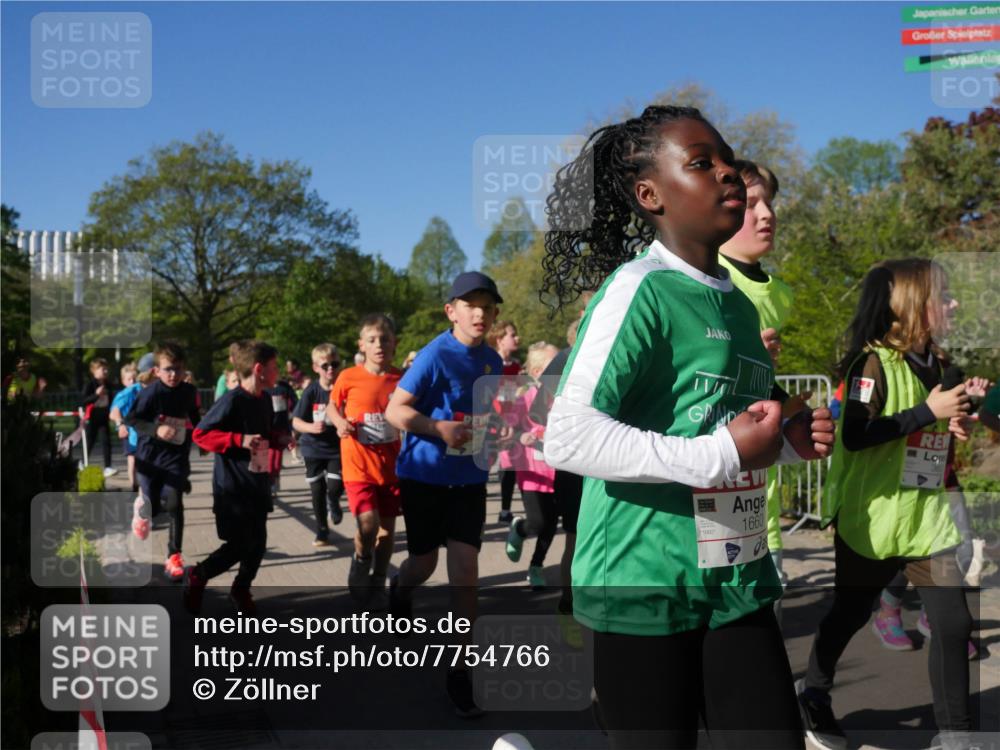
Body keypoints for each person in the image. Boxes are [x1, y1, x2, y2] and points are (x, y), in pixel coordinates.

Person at [540, 105, 835, 750]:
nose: (729, 173)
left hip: (736, 575)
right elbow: (567, 435)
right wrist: (721, 453)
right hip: (645, 584)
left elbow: (725, 424)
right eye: (702, 163)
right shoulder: (638, 290)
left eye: (728, 159)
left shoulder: (734, 299)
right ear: (651, 196)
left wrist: (783, 444)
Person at [801, 259, 975, 750]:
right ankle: (814, 691)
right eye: (942, 296)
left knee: (954, 623)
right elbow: (855, 436)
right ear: (907, 307)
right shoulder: (869, 364)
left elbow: (931, 432)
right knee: (851, 613)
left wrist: (952, 425)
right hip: (872, 522)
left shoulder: (942, 366)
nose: (952, 304)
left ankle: (957, 737)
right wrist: (928, 412)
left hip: (927, 522)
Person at [385, 270, 507, 718]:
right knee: (423, 563)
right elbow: (394, 409)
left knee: (465, 572)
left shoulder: (493, 361)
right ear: (451, 311)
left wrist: (495, 435)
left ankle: (459, 672)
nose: (480, 313)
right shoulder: (435, 355)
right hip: (423, 477)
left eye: (487, 306)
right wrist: (437, 428)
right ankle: (400, 588)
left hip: (468, 483)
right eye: (470, 305)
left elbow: (489, 417)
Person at [718, 159, 796, 618]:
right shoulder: (696, 280)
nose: (767, 213)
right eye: (751, 204)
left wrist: (793, 415)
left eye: (770, 202)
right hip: (705, 488)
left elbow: (761, 388)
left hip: (760, 492)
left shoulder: (779, 293)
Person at [186, 340, 281, 615]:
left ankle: (240, 589)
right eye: (274, 367)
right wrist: (238, 439)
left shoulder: (264, 399)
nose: (278, 373)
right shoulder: (232, 399)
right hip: (233, 487)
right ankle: (198, 575)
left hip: (257, 482)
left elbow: (264, 434)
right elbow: (200, 435)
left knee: (258, 543)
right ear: (259, 369)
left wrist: (280, 438)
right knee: (240, 543)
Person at [328, 314, 403, 608]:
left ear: (394, 343)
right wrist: (338, 422)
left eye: (384, 339)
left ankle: (378, 579)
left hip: (391, 466)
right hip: (357, 465)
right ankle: (361, 560)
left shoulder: (401, 378)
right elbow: (333, 406)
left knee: (387, 529)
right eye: (372, 340)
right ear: (362, 345)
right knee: (368, 524)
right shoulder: (348, 376)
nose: (379, 345)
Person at [126, 343, 201, 581]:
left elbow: (195, 416)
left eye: (178, 369)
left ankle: (174, 555)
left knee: (174, 503)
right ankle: (141, 510)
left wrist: (202, 438)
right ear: (157, 370)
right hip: (149, 459)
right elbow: (132, 419)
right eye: (168, 370)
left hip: (175, 457)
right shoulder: (150, 393)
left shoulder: (188, 392)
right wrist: (156, 429)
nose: (173, 375)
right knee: (154, 507)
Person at [504, 342, 561, 590]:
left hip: (558, 469)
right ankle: (520, 527)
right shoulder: (524, 396)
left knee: (551, 523)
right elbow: (511, 429)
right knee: (538, 522)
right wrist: (521, 436)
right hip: (531, 470)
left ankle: (536, 566)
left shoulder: (563, 397)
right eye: (554, 365)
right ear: (538, 372)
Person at [291, 343, 345, 546]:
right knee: (317, 490)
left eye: (334, 364)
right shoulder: (311, 391)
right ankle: (322, 530)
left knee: (334, 486)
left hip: (336, 448)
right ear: (315, 368)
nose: (330, 368)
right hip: (312, 447)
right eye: (325, 366)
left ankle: (334, 501)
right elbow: (296, 421)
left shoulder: (344, 388)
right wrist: (311, 427)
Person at [488, 320, 522, 523]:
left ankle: (505, 510)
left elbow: (512, 396)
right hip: (491, 422)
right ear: (499, 340)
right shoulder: (489, 363)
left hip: (510, 422)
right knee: (484, 466)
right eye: (512, 335)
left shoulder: (516, 366)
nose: (517, 338)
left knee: (510, 465)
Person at [110, 355, 155, 492]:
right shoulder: (131, 391)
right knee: (134, 461)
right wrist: (120, 424)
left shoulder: (160, 389)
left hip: (153, 436)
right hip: (133, 435)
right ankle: (135, 487)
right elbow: (113, 412)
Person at [81, 358, 118, 478]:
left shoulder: (108, 384)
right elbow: (83, 400)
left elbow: (112, 399)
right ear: (94, 371)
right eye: (103, 369)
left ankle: (108, 467)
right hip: (92, 416)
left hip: (104, 416)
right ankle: (82, 463)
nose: (106, 371)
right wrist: (96, 395)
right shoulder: (90, 384)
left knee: (106, 441)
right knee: (90, 440)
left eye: (107, 368)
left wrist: (112, 411)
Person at [267, 375, 298, 497]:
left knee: (277, 458)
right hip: (267, 427)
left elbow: (295, 402)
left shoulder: (284, 387)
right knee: (269, 457)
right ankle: (270, 482)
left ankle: (274, 477)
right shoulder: (264, 387)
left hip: (281, 426)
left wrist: (293, 415)